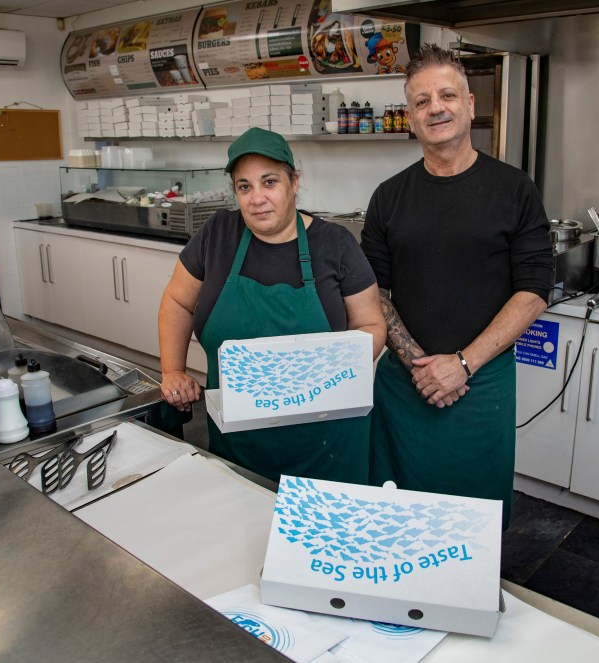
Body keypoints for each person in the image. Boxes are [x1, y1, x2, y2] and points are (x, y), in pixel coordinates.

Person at [360, 44, 553, 529]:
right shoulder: (387, 197)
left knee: (473, 522)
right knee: (395, 515)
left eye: (447, 95)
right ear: (410, 117)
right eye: (421, 101)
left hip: (481, 383)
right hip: (405, 387)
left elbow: (533, 291)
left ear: (470, 104)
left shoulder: (514, 190)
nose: (435, 108)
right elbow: (374, 294)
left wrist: (464, 363)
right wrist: (423, 367)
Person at [158, 127, 386, 484]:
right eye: (244, 187)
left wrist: (313, 374)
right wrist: (172, 369)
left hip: (325, 446)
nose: (257, 198)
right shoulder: (218, 234)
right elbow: (176, 301)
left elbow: (372, 326)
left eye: (270, 182)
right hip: (240, 443)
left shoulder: (335, 244)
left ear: (294, 182)